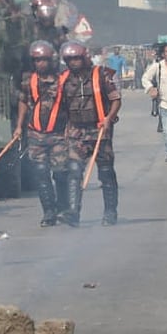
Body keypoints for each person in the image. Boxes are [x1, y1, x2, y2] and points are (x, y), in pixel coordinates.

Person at [60, 41, 122, 227]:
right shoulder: (63, 79)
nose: (74, 63)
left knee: (105, 171)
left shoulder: (101, 75)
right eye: (70, 59)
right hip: (76, 131)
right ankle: (73, 212)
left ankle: (110, 212)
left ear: (85, 57)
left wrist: (109, 118)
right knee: (73, 171)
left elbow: (116, 100)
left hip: (99, 130)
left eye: (77, 58)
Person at [14, 41, 70, 227]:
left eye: (45, 60)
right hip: (36, 134)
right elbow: (23, 102)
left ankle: (63, 209)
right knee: (41, 174)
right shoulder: (28, 81)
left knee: (61, 173)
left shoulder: (63, 79)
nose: (41, 64)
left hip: (59, 134)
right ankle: (49, 212)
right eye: (37, 60)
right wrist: (19, 126)